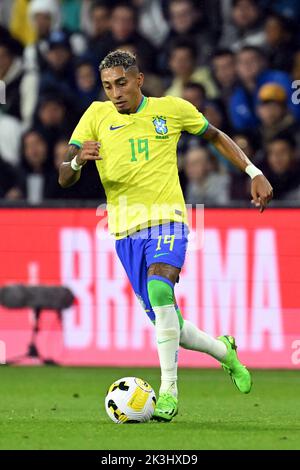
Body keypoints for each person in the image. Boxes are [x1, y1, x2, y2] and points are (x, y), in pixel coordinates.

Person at [59, 50, 273, 422]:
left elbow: (215, 135)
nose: (115, 93)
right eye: (108, 86)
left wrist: (253, 171)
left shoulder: (172, 109)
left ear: (139, 80)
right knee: (168, 322)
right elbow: (65, 175)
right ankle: (224, 351)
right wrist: (77, 161)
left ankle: (169, 391)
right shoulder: (95, 115)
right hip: (125, 232)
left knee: (161, 289)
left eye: (122, 83)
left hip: (167, 220)